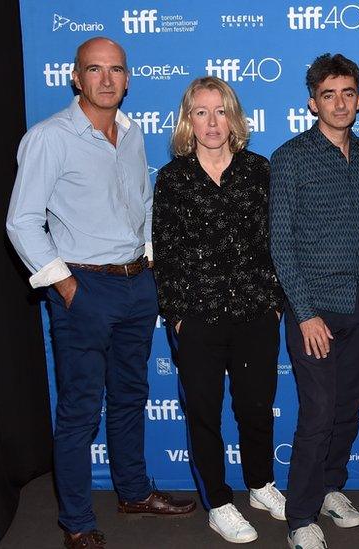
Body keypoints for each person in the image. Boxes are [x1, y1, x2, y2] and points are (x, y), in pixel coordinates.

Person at [6, 37, 195, 549]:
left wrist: (151, 259)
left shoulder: (131, 135)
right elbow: (22, 221)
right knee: (80, 410)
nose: (107, 79)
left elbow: (140, 205)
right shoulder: (49, 138)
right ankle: (76, 522)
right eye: (95, 69)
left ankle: (133, 492)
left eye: (116, 70)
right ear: (76, 78)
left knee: (132, 397)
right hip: (83, 287)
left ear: (128, 79)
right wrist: (65, 285)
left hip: (137, 285)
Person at [152, 76, 286, 544]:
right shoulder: (173, 179)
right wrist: (177, 315)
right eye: (201, 112)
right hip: (198, 318)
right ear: (189, 119)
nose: (212, 121)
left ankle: (260, 484)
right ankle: (219, 502)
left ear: (234, 117)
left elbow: (277, 243)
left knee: (255, 408)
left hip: (255, 312)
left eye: (220, 110)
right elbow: (164, 254)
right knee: (204, 413)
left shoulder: (258, 170)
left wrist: (274, 305)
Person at [269, 53, 359, 549]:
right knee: (317, 412)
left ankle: (332, 487)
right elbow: (280, 244)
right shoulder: (290, 157)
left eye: (348, 93)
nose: (339, 103)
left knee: (348, 406)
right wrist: (305, 312)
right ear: (312, 101)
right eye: (328, 94)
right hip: (312, 306)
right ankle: (299, 517)